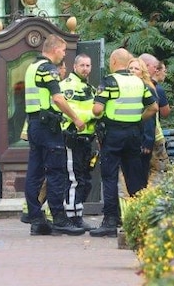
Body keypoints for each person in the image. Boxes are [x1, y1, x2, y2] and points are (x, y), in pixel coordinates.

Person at [89, 48, 158, 238]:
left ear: (113, 62)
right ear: (128, 63)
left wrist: (100, 112)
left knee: (110, 177)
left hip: (113, 135)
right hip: (134, 134)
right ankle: (140, 220)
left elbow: (96, 109)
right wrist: (138, 119)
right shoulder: (139, 82)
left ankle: (110, 222)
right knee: (135, 178)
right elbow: (153, 107)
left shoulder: (110, 81)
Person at [24, 35, 86, 236]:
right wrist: (76, 119)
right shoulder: (47, 68)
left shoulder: (32, 67)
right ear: (53, 49)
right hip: (48, 127)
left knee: (35, 171)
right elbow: (58, 99)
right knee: (56, 172)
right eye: (63, 50)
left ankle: (36, 219)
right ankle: (59, 218)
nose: (64, 54)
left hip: (34, 124)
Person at [59, 53, 97, 230]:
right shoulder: (68, 86)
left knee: (84, 179)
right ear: (74, 67)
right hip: (73, 137)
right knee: (75, 179)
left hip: (87, 138)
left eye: (88, 65)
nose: (85, 69)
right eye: (82, 65)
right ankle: (72, 217)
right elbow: (74, 112)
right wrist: (93, 115)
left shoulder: (89, 87)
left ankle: (78, 215)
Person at [139, 54, 171, 180]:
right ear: (146, 67)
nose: (157, 69)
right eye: (155, 67)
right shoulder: (154, 88)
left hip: (139, 137)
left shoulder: (136, 86)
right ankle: (154, 198)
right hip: (154, 136)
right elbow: (163, 112)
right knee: (159, 171)